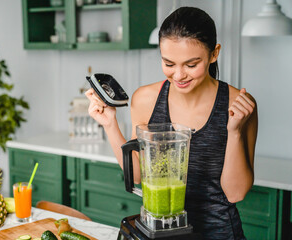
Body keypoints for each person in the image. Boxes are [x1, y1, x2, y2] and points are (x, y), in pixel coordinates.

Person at [85, 6, 257, 240]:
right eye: (169, 63)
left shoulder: (238, 104)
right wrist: (110, 124)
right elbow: (137, 177)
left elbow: (235, 193)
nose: (178, 75)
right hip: (161, 234)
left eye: (191, 64)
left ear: (214, 53)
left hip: (219, 233)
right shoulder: (145, 100)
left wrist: (234, 131)